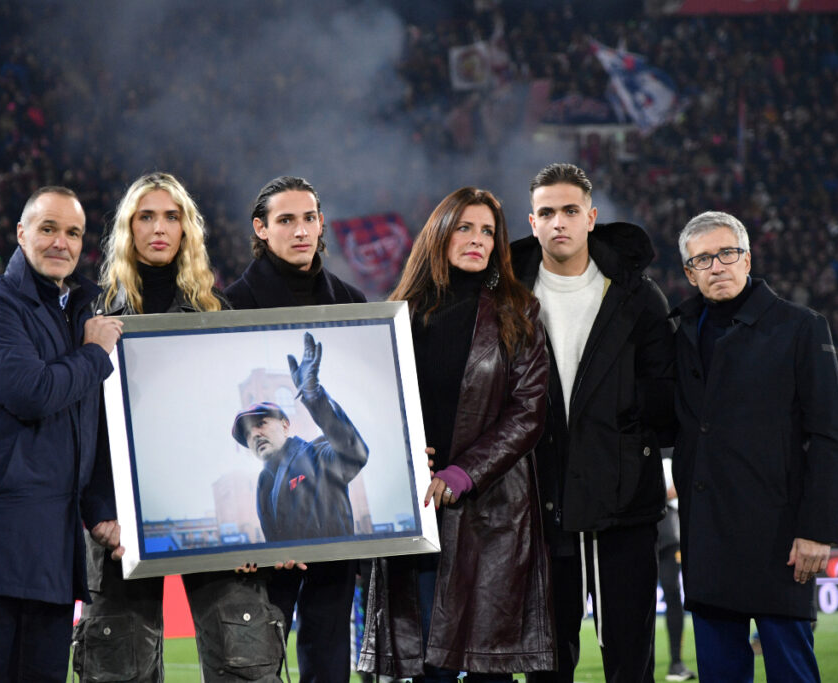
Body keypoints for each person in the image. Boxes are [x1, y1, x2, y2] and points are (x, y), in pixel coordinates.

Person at [73, 172, 285, 682]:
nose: (159, 228)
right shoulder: (91, 313)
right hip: (118, 525)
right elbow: (80, 428)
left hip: (214, 519)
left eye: (172, 216)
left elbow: (240, 432)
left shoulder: (220, 313)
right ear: (128, 228)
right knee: (119, 670)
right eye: (146, 216)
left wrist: (255, 526)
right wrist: (99, 514)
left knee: (245, 666)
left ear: (187, 229)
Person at [0, 186, 124, 682]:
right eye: (48, 228)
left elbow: (80, 434)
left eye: (73, 233)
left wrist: (99, 512)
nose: (61, 242)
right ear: (21, 234)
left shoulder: (75, 315)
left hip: (50, 554)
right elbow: (32, 393)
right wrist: (94, 354)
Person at [359, 187, 554, 678]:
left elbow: (528, 412)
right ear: (440, 234)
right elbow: (372, 409)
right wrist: (398, 456)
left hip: (492, 515)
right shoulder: (399, 313)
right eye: (465, 227)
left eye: (488, 231)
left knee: (489, 667)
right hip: (418, 514)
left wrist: (463, 472)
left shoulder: (519, 309)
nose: (477, 239)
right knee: (429, 668)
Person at [510, 163, 674, 683]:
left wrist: (624, 449)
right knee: (545, 670)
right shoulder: (505, 299)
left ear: (592, 218)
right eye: (547, 212)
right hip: (538, 513)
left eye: (570, 211)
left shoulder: (638, 296)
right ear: (531, 221)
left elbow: (663, 399)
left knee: (630, 667)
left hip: (622, 513)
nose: (559, 222)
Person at [671, 210, 838, 682]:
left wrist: (817, 529)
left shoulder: (801, 327)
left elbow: (829, 437)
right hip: (708, 540)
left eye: (726, 253)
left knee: (791, 672)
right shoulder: (680, 333)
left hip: (782, 542)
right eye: (702, 259)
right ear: (689, 273)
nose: (717, 266)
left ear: (748, 259)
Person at [224, 176, 365, 683]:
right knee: (257, 663)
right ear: (261, 229)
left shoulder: (353, 302)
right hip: (270, 566)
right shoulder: (228, 307)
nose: (300, 229)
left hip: (336, 553)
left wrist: (316, 396)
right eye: (286, 220)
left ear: (322, 223)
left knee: (326, 661)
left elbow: (355, 451)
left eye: (309, 218)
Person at [232, 332, 369, 542]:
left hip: (334, 571)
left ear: (285, 425)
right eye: (248, 434)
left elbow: (355, 454)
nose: (255, 435)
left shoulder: (317, 453)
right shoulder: (263, 483)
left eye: (261, 424)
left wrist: (314, 396)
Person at [657, 453, 696, 681]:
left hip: (669, 537)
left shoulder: (672, 456)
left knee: (673, 595)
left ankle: (676, 663)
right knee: (641, 604)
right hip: (646, 534)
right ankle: (640, 665)